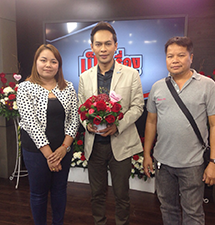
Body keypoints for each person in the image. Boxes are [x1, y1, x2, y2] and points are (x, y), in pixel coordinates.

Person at [143, 36, 215, 225]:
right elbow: (151, 122)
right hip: (163, 163)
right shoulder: (157, 87)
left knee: (193, 213)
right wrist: (147, 154)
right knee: (168, 209)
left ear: (191, 57)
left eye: (181, 55)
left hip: (193, 163)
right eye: (170, 56)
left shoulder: (207, 85)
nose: (175, 60)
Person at [78, 21, 144, 225]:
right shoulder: (85, 77)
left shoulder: (131, 74)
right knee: (96, 194)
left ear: (116, 45)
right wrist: (86, 125)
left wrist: (119, 125)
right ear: (92, 47)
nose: (103, 49)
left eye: (108, 43)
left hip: (121, 144)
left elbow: (138, 106)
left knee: (122, 195)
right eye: (98, 44)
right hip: (95, 146)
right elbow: (81, 108)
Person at [17, 44, 79, 225]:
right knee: (38, 193)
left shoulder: (67, 87)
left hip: (63, 150)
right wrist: (50, 156)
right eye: (43, 60)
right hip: (36, 152)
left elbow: (74, 119)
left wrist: (63, 149)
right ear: (36, 62)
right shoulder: (25, 88)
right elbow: (31, 123)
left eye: (53, 61)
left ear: (59, 65)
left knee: (60, 190)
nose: (48, 65)